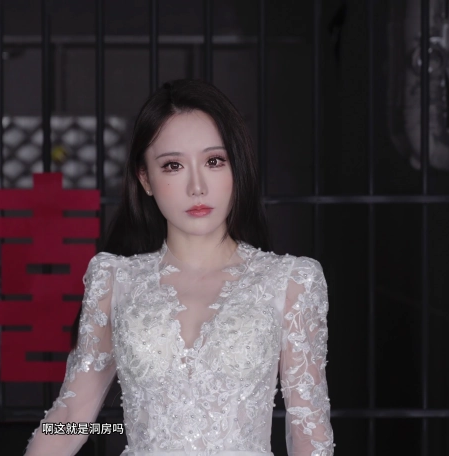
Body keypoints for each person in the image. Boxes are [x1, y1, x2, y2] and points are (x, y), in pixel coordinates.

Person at [24, 79, 334, 456]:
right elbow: (72, 417)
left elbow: (309, 433)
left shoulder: (291, 282)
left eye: (214, 161)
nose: (197, 187)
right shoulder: (114, 281)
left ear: (237, 166)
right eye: (173, 166)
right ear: (145, 178)